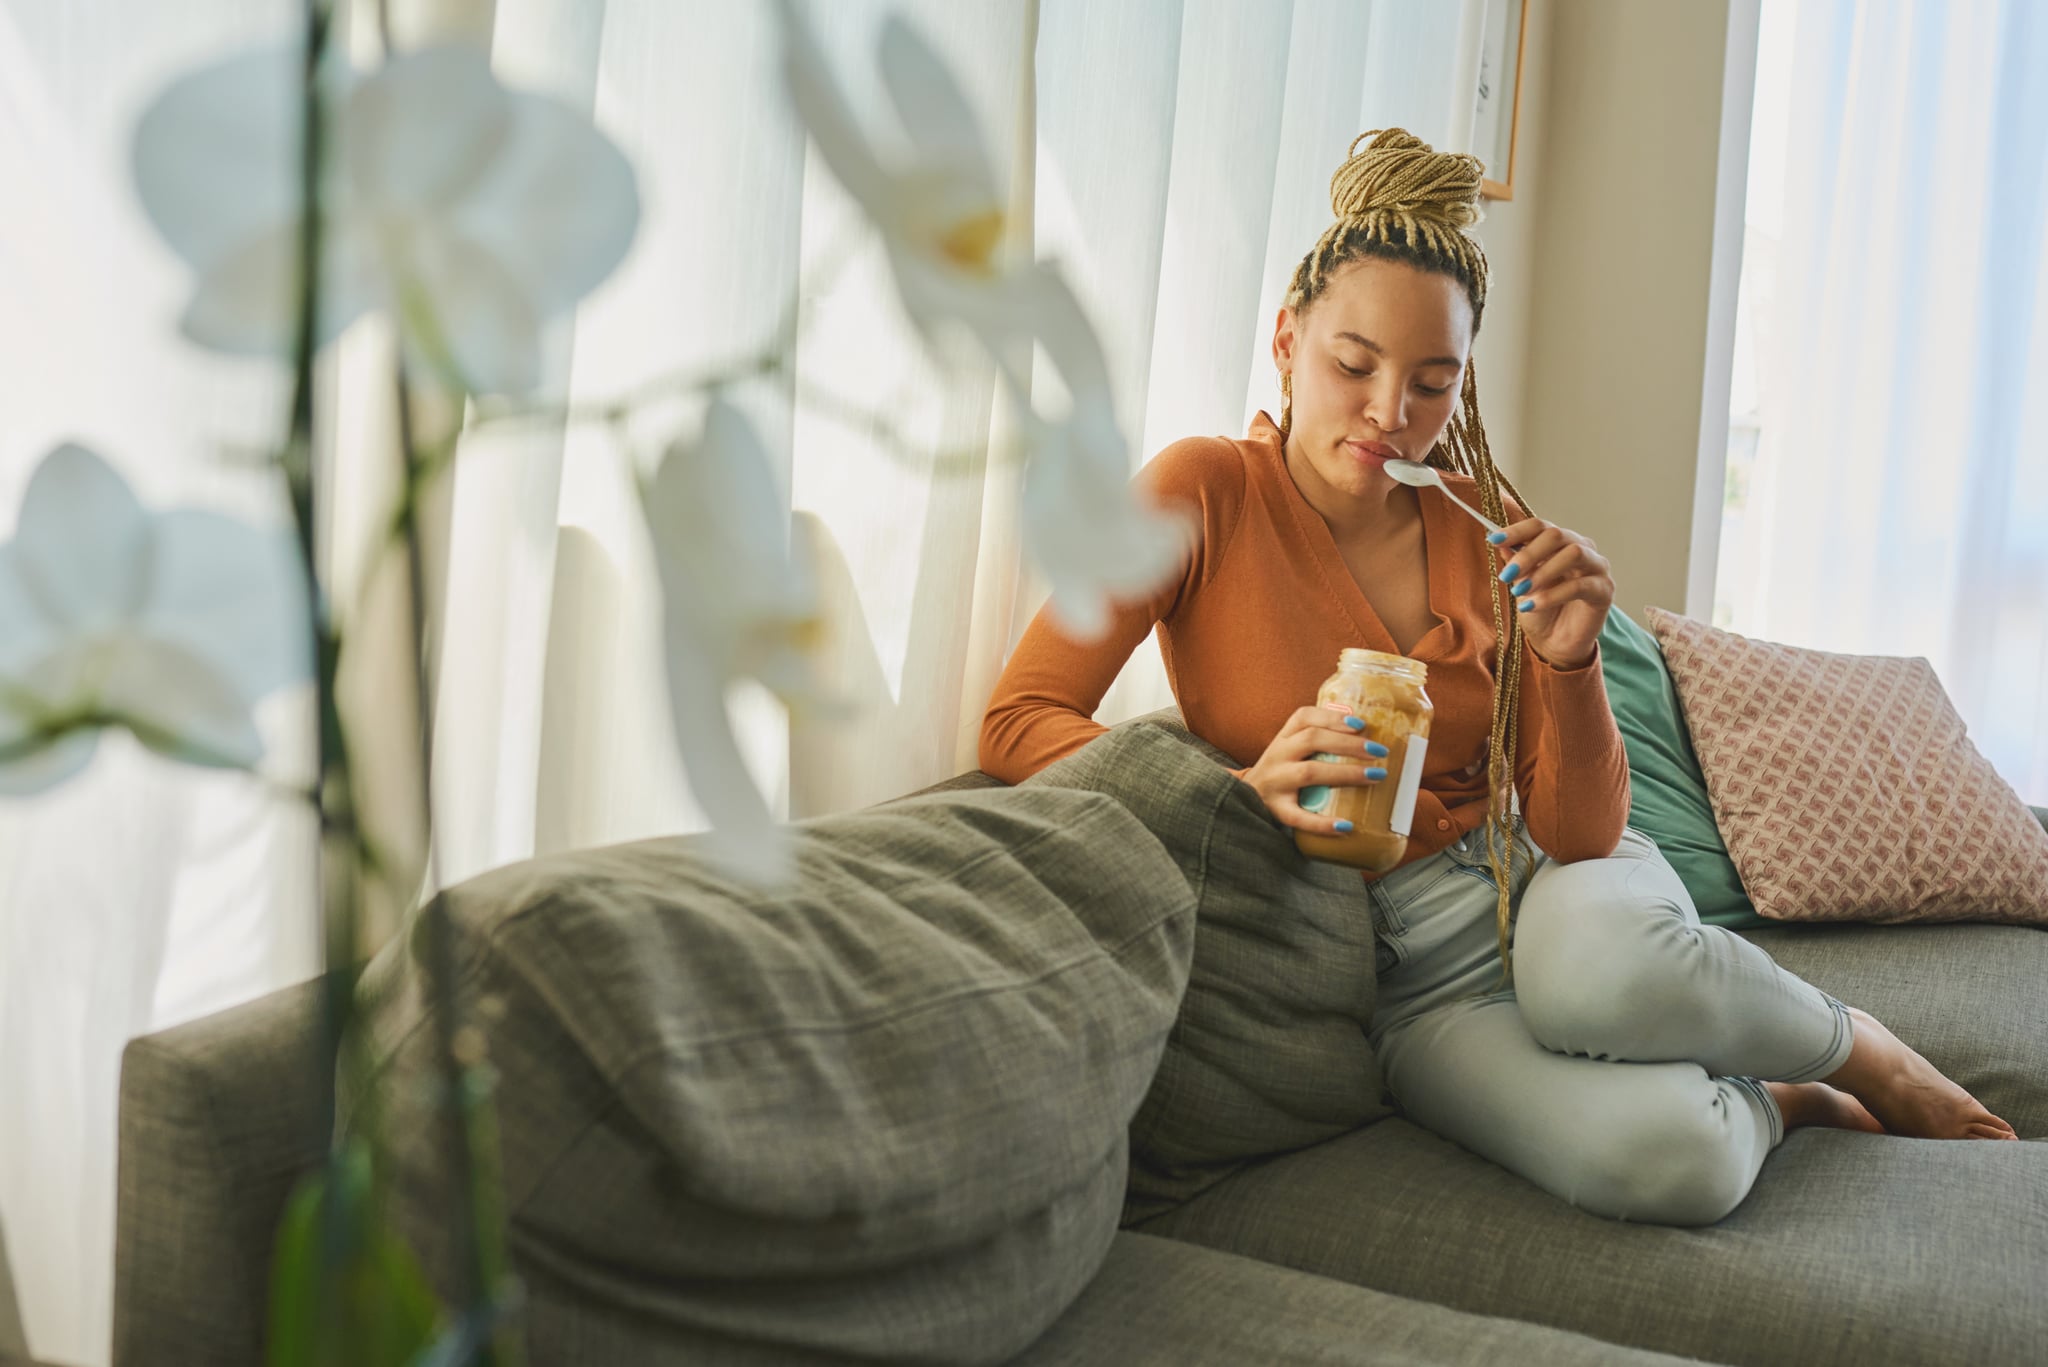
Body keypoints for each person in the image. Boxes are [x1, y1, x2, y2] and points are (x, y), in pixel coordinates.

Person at [978, 128, 2017, 1228]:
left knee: (1587, 978)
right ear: (1284, 342)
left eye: (1433, 383)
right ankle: (1781, 1097)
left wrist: (1568, 663)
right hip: (1406, 978)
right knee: (1671, 1165)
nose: (1390, 414)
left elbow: (1575, 831)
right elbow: (1018, 716)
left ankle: (1859, 1044)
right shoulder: (1199, 494)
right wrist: (1232, 789)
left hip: (1553, 884)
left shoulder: (1485, 527)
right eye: (1352, 365)